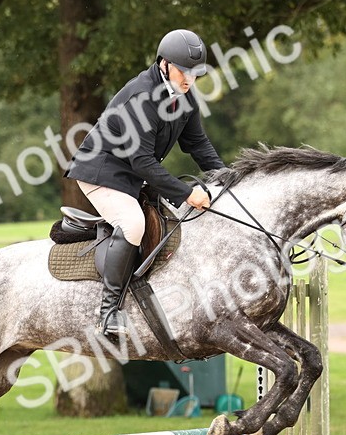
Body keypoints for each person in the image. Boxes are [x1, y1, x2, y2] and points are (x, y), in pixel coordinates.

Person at [66, 28, 226, 337]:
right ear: (164, 63)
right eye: (184, 71)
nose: (189, 79)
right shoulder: (142, 96)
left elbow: (198, 145)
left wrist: (227, 178)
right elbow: (142, 161)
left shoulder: (185, 96)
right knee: (133, 223)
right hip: (101, 171)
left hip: (131, 174)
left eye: (195, 73)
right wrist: (185, 193)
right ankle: (109, 312)